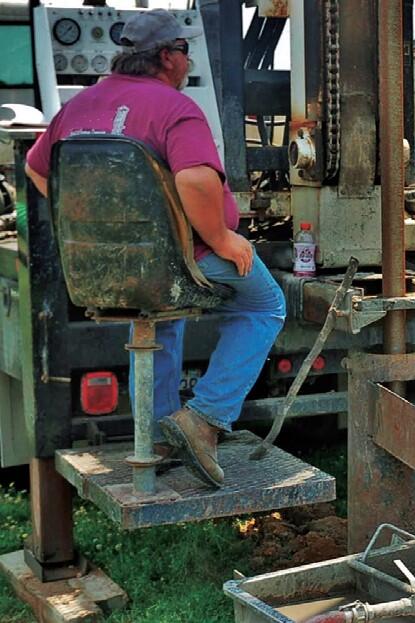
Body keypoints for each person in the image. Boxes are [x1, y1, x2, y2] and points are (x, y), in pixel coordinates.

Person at [25, 9, 286, 488]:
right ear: (168, 57)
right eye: (184, 52)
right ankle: (204, 418)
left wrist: (93, 225)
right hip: (180, 260)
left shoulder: (77, 107)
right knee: (264, 305)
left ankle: (161, 433)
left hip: (109, 267)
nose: (187, 63)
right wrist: (221, 238)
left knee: (159, 313)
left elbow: (38, 169)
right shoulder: (173, 107)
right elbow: (194, 177)